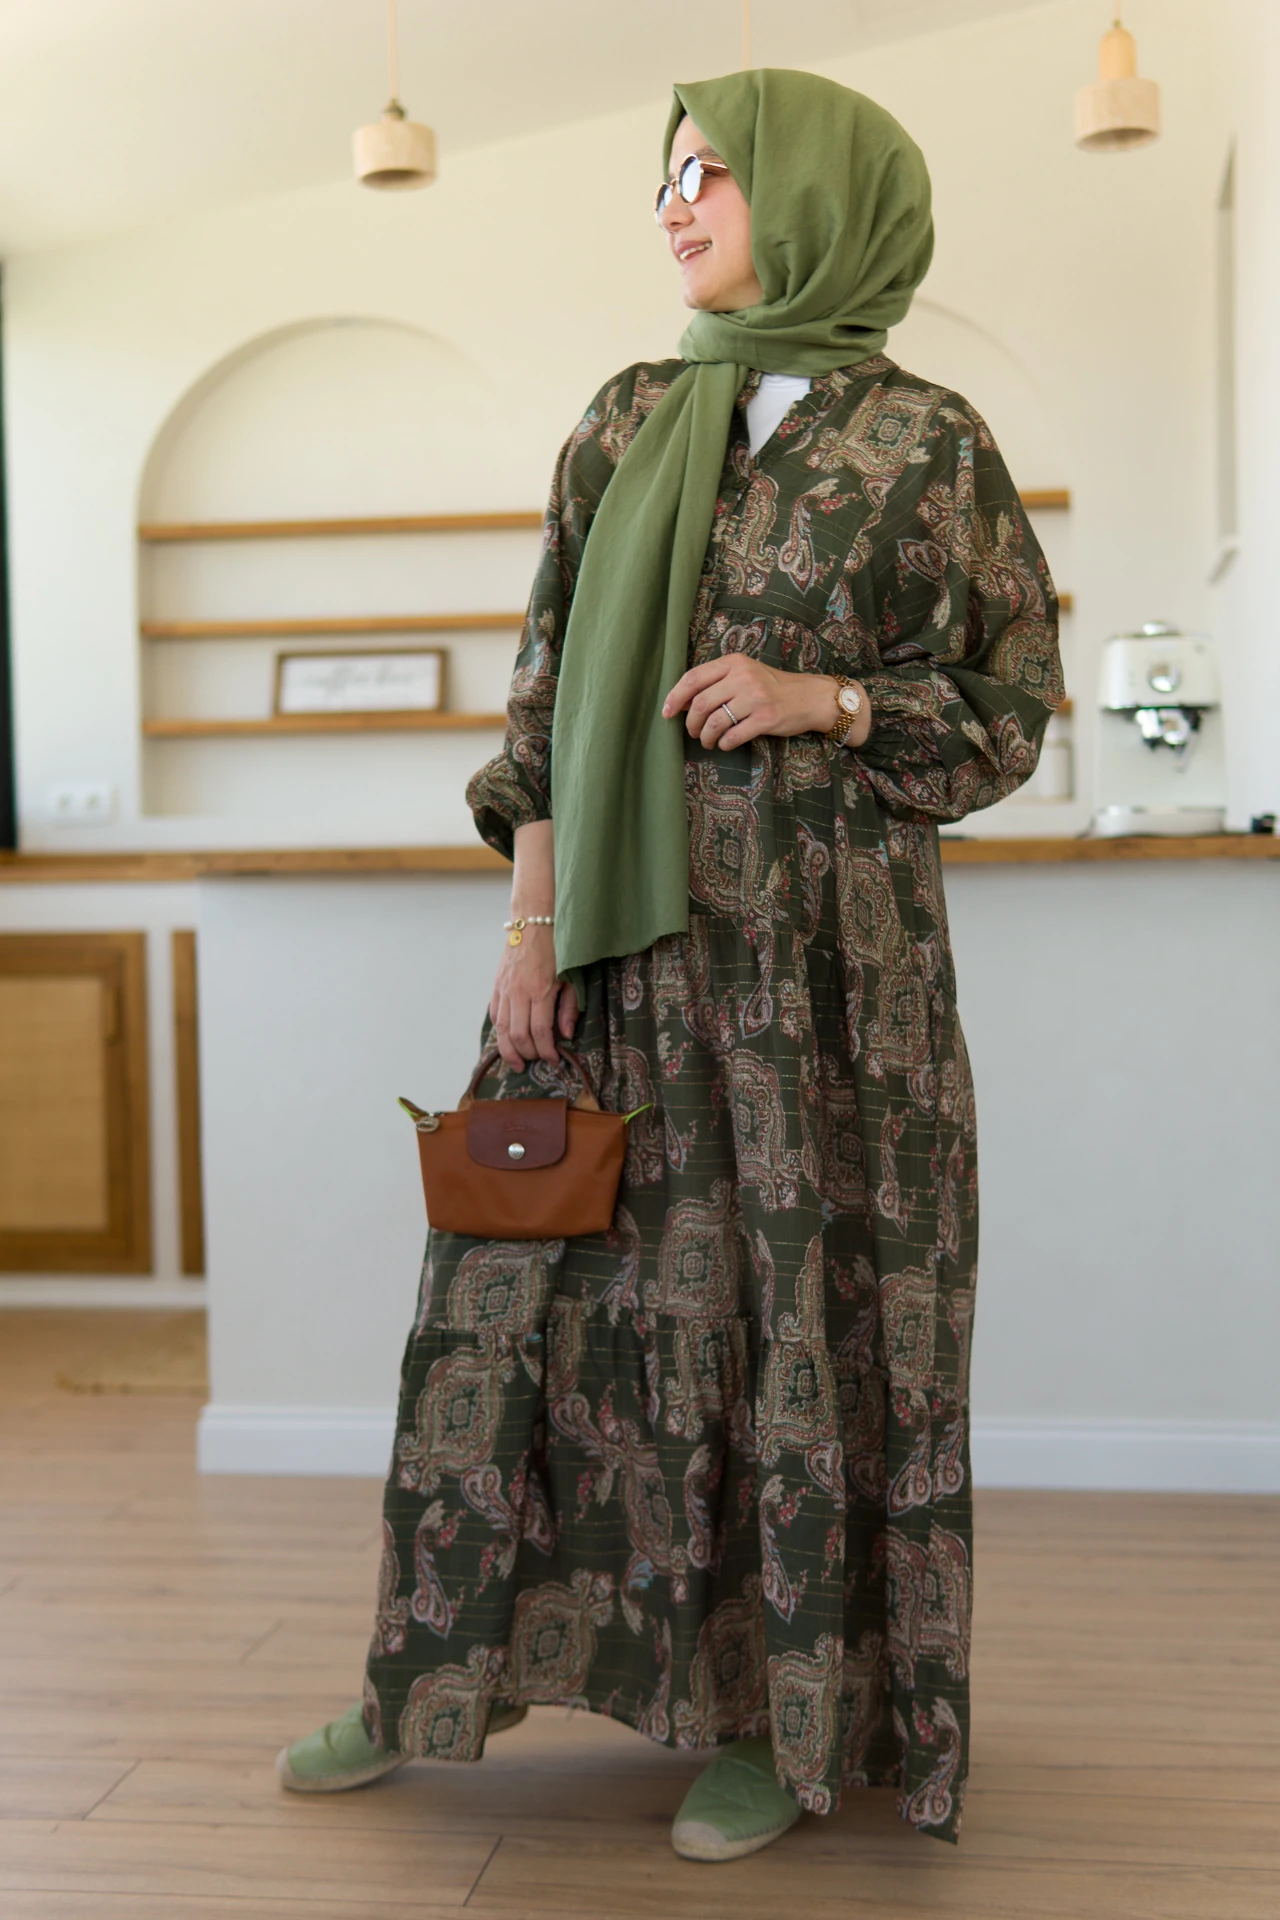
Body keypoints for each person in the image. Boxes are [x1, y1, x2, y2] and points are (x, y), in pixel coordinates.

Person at [278, 67, 1062, 1858]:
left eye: (712, 171)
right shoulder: (625, 415)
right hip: (618, 969)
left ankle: (773, 1723)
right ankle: (427, 1681)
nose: (676, 202)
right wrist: (530, 927)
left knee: (794, 1330)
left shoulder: (927, 447)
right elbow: (548, 690)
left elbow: (1012, 708)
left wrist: (826, 698)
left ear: (823, 198)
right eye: (665, 175)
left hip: (829, 995)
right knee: (522, 1319)